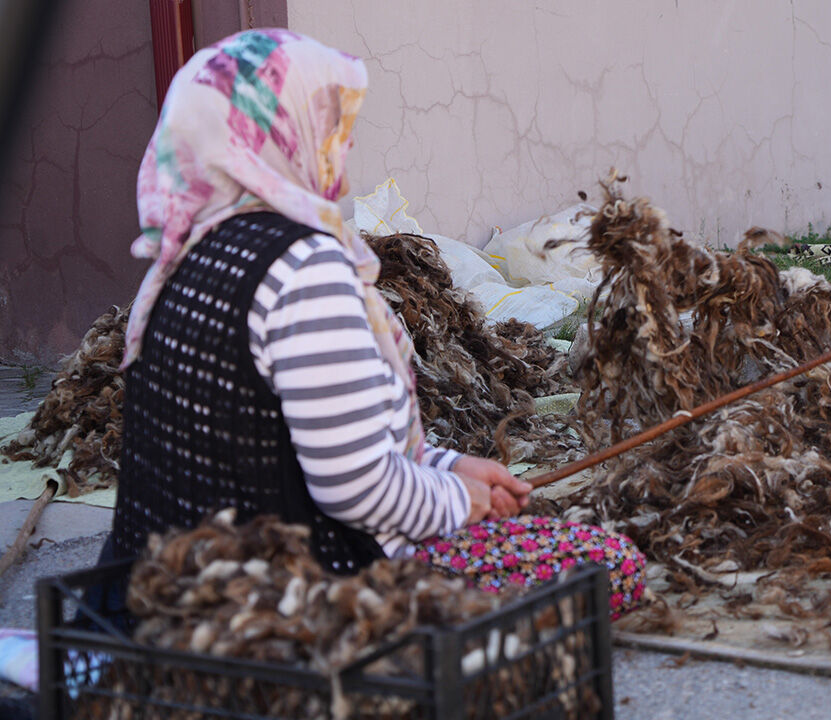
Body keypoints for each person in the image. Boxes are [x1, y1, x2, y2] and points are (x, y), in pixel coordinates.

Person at [102, 29, 644, 616]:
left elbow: (314, 437)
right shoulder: (303, 271)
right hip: (293, 602)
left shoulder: (187, 259)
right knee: (604, 561)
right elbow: (356, 489)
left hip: (163, 590)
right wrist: (459, 502)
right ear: (282, 136)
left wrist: (450, 465)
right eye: (332, 127)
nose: (344, 147)